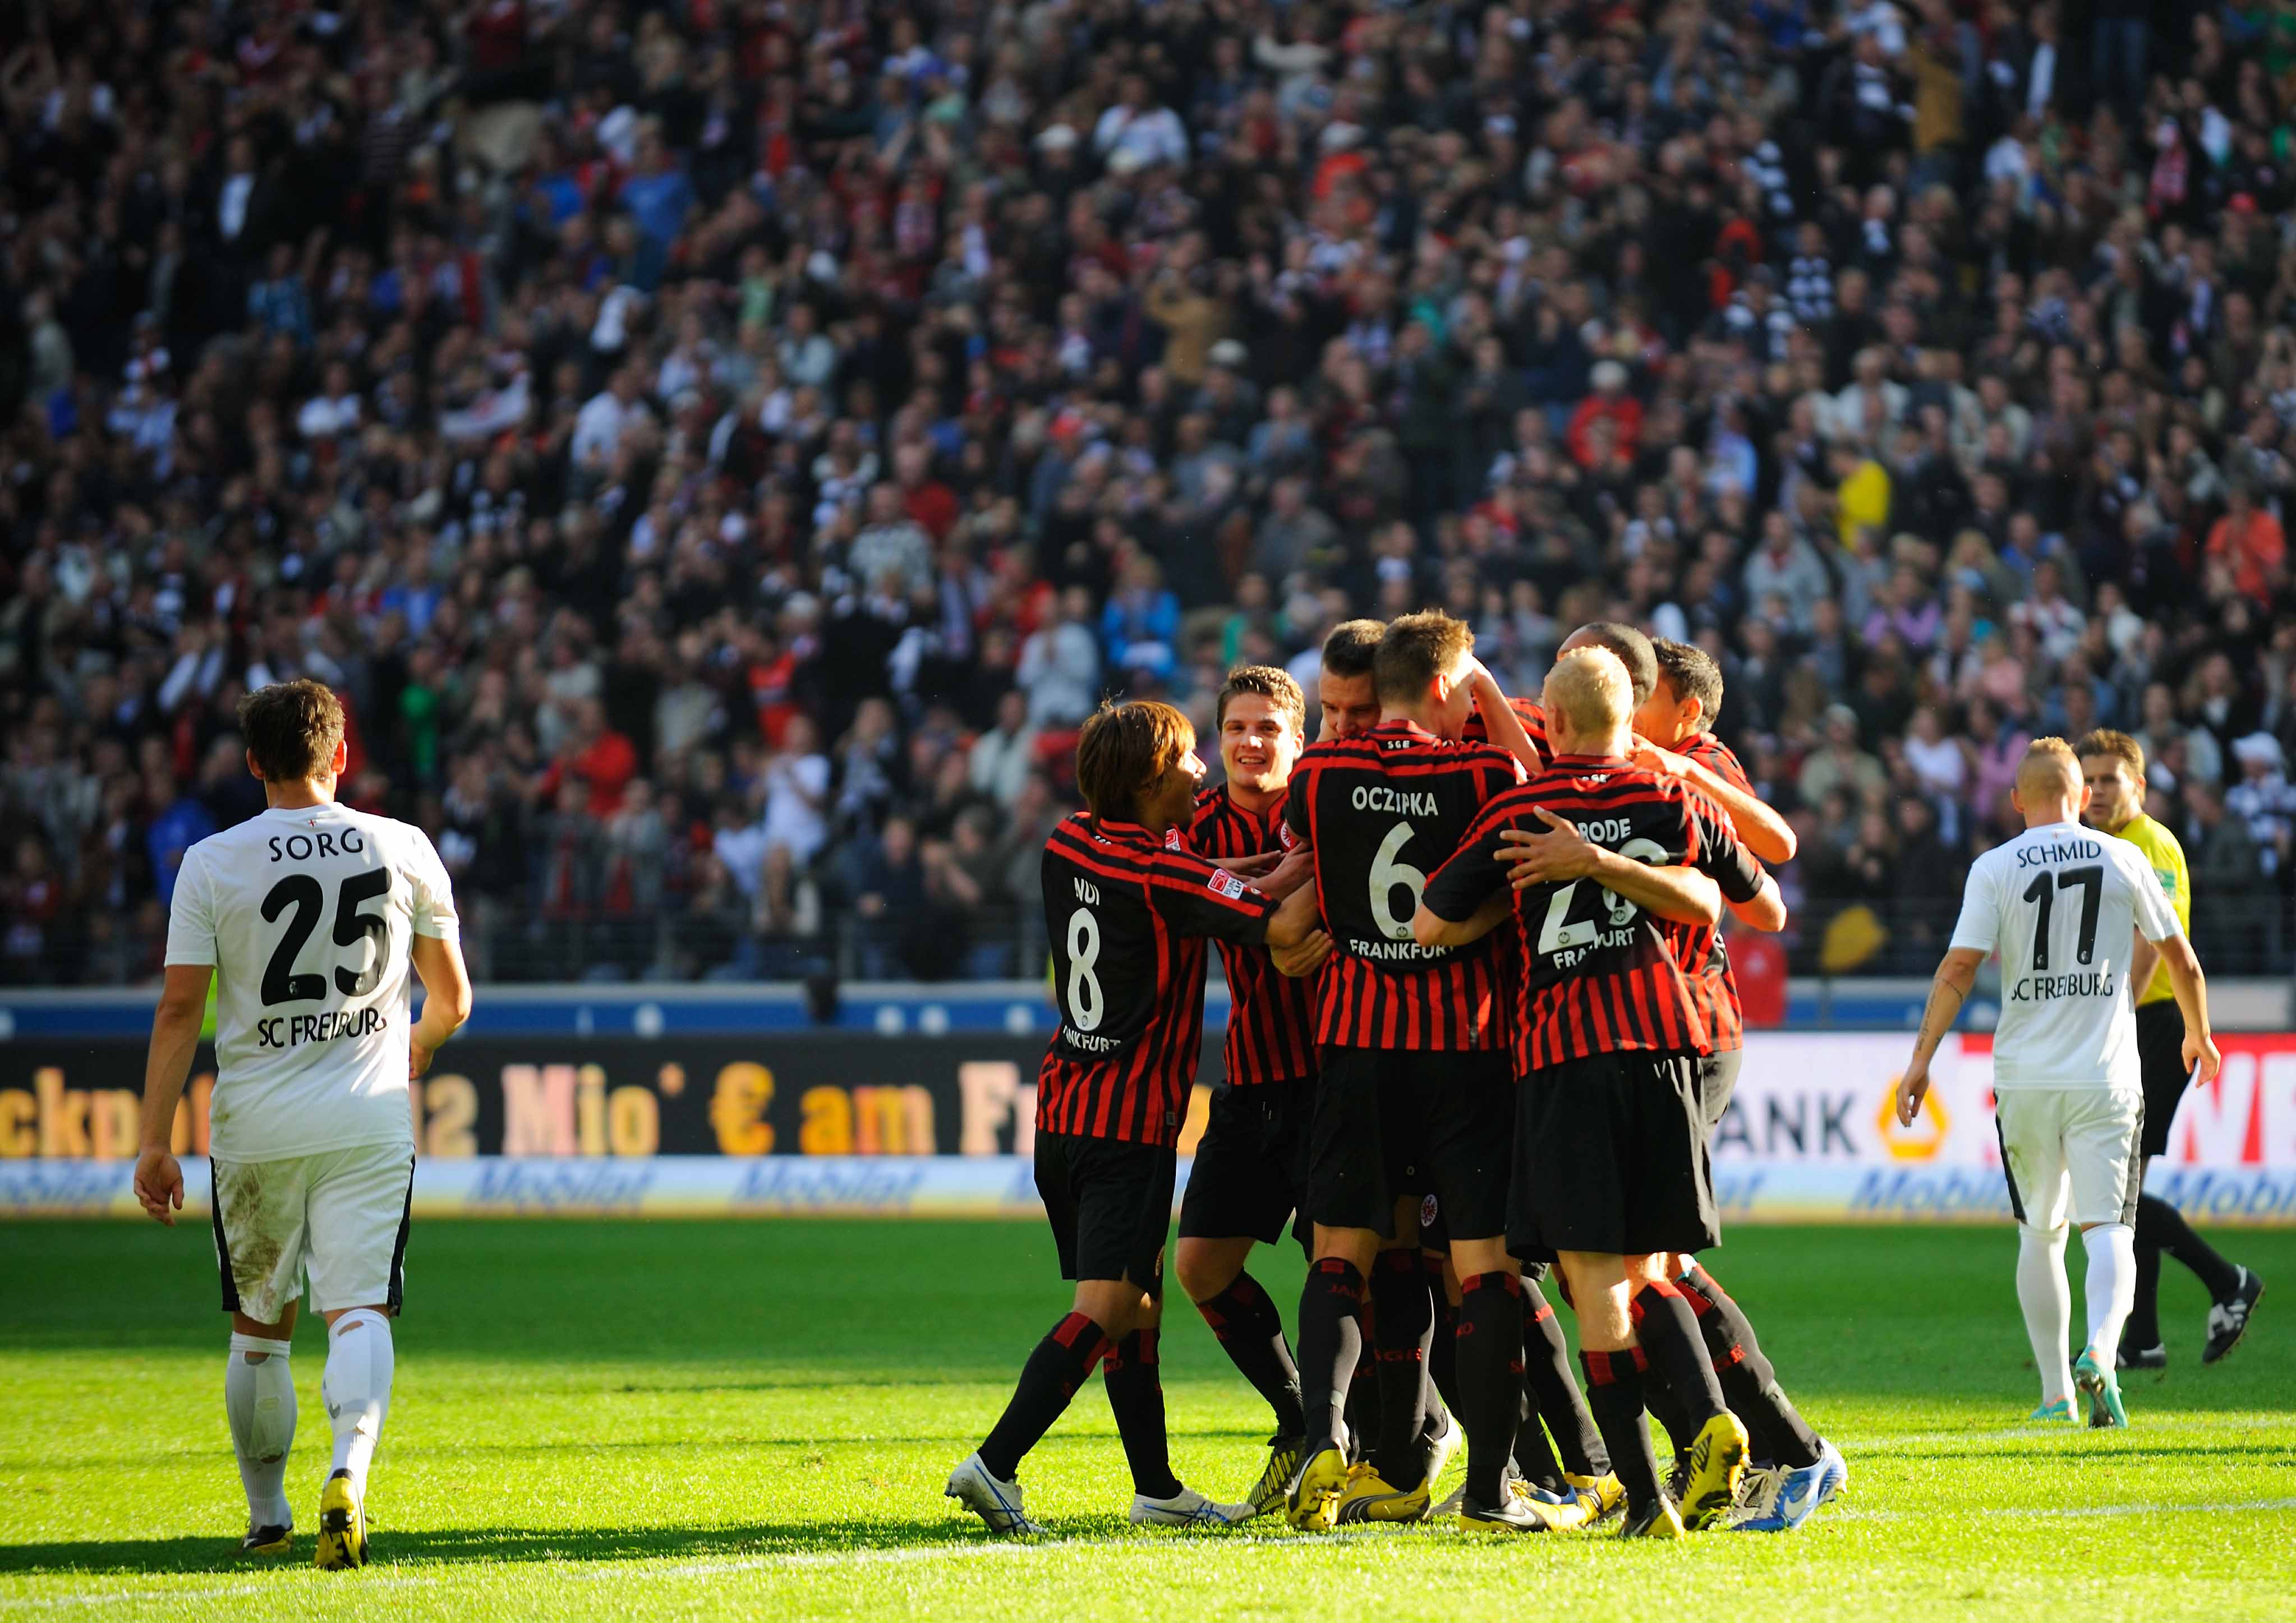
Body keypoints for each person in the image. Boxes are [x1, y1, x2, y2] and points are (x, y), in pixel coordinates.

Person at [1416, 646, 1774, 1539]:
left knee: (1594, 1286)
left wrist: (1546, 878)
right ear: (1632, 717)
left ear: (1559, 721)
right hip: (1665, 1059)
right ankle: (1707, 1424)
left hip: (1564, 1063)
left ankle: (1649, 1497)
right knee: (1654, 1268)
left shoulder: (1518, 808)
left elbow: (1427, 921)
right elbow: (1750, 898)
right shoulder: (1676, 798)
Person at [946, 700, 1317, 1537]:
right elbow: (1274, 920)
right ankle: (996, 1464)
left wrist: (1283, 862)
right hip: (1128, 1125)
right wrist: (1321, 878)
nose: (1202, 771)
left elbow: (1220, 886)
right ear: (1152, 780)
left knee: (1142, 1306)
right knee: (1109, 1306)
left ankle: (1156, 1486)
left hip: (1063, 1108)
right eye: (1189, 758)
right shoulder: (1165, 872)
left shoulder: (1070, 839)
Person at [131, 680, 472, 1569]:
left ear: (253, 763)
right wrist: (417, 1046)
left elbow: (178, 1011)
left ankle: (267, 1511)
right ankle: (349, 1476)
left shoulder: (211, 861)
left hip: (256, 1126)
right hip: (367, 1119)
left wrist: (154, 1139)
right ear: (342, 754)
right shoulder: (402, 845)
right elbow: (454, 1001)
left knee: (258, 1325)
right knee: (358, 1306)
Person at [1278, 610, 1538, 1533]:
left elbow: (1299, 873)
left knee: (1339, 1253)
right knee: (1481, 1271)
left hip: (1353, 1045)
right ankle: (1487, 1487)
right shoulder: (1483, 771)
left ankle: (1322, 1443)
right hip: (1462, 1051)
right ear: (1446, 688)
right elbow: (1540, 804)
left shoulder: (1316, 773)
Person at [1895, 739, 2221, 1430]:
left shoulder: (1993, 866)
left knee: (2039, 1236)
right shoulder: (2123, 855)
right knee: (2109, 1228)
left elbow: (1958, 968)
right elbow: (2181, 960)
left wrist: (1921, 1059)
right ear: (2080, 796)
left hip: (2025, 1078)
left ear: (2017, 800)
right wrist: (2198, 1033)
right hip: (2106, 1073)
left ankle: (2054, 1394)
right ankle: (2101, 1350)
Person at [1622, 640, 1846, 1531]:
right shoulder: (1605, 756)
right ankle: (1722, 1450)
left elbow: (1774, 845)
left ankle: (1790, 1449)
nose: (1631, 706)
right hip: (1624, 1037)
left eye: (1648, 695)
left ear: (1689, 714)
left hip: (1690, 1027)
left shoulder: (1699, 764)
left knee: (1651, 1254)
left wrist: (1667, 762)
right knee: (1622, 1259)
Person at [1176, 667, 1334, 1516]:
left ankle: (1378, 1437)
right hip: (1248, 1077)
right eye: (1236, 727)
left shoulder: (1326, 803)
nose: (1249, 742)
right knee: (1200, 1265)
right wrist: (1272, 914)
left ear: (1297, 739)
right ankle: (1297, 1412)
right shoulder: (1195, 826)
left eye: (1268, 728)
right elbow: (1178, 906)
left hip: (1333, 1076)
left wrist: (1309, 922)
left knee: (1338, 1271)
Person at [2073, 731, 2265, 1368]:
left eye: (2109, 779)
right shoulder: (2104, 845)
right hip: (2135, 1023)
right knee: (2123, 1186)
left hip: (2151, 1023)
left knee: (2112, 1189)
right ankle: (2143, 1338)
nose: (2096, 790)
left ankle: (2226, 1281)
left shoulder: (2148, 844)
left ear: (2139, 787)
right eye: (2089, 778)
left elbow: (2156, 942)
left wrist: (2111, 1016)